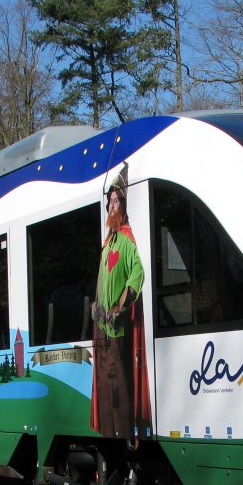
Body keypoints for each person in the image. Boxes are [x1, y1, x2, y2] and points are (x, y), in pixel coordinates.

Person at [90, 163, 152, 439]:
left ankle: (123, 437)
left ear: (124, 206)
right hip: (100, 330)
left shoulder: (126, 241)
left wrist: (120, 307)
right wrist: (96, 306)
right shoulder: (107, 244)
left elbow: (137, 274)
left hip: (117, 330)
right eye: (110, 202)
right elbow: (101, 281)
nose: (112, 206)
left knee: (118, 388)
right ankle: (108, 436)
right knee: (104, 386)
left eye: (117, 201)